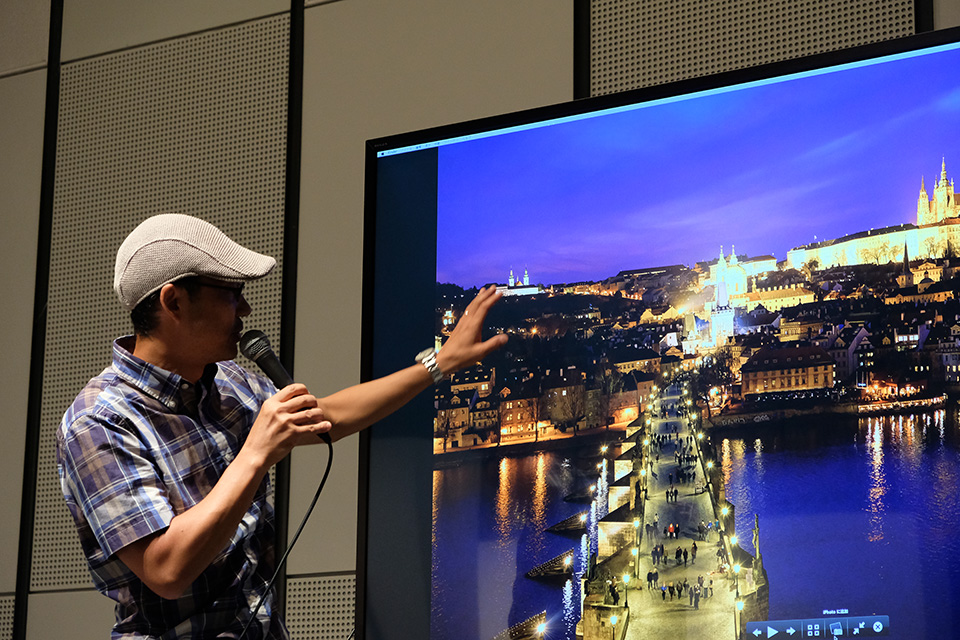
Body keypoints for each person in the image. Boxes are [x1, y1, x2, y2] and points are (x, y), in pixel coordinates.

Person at [57, 214, 508, 639]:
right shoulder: (100, 421)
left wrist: (441, 362)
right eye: (231, 293)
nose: (246, 309)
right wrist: (255, 453)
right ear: (173, 301)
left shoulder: (228, 380)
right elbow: (167, 571)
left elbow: (326, 416)